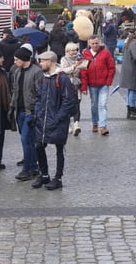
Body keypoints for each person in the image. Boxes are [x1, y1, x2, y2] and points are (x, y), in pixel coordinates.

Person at [31, 50, 77, 190]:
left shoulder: (62, 79)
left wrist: (57, 118)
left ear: (49, 62)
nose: (40, 64)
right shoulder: (44, 78)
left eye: (42, 61)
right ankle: (44, 175)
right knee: (39, 146)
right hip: (43, 120)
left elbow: (68, 101)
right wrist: (38, 113)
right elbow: (39, 97)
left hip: (57, 121)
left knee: (59, 148)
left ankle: (58, 177)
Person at [9, 47, 41, 180]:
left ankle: (27, 169)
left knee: (26, 139)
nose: (15, 61)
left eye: (17, 59)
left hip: (30, 111)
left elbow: (40, 92)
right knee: (27, 140)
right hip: (20, 111)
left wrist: (36, 111)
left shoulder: (36, 72)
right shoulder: (17, 71)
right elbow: (15, 90)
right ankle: (33, 167)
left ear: (23, 59)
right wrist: (12, 107)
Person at [79, 35, 116, 135]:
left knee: (102, 105)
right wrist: (84, 87)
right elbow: (83, 71)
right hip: (92, 85)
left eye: (96, 43)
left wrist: (108, 81)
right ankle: (95, 122)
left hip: (103, 83)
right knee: (94, 105)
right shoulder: (85, 54)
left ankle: (103, 126)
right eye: (93, 43)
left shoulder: (106, 53)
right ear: (89, 44)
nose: (95, 45)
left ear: (99, 43)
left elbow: (112, 67)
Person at [58, 42, 86, 135]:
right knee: (67, 105)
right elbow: (64, 71)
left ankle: (76, 125)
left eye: (76, 50)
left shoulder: (79, 58)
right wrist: (74, 66)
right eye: (72, 50)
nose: (74, 52)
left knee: (77, 104)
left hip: (77, 84)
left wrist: (83, 64)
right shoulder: (64, 59)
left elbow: (84, 69)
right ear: (67, 51)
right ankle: (68, 125)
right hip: (67, 85)